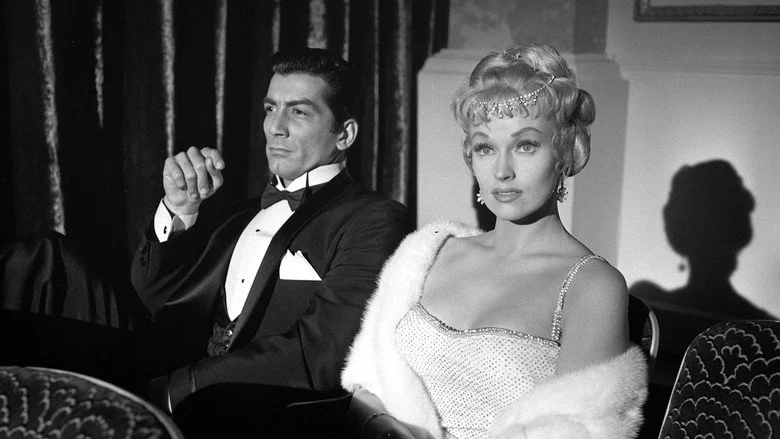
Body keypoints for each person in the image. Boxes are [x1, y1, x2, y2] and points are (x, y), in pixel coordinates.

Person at [341, 44, 647, 438]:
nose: (502, 171)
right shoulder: (428, 253)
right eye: (485, 147)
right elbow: (367, 387)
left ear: (564, 152)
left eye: (525, 145)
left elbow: (580, 432)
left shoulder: (591, 286)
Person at [130, 47, 411, 422]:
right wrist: (179, 208)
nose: (275, 127)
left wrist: (176, 388)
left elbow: (320, 353)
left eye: (298, 112)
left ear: (344, 134)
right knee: (55, 261)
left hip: (255, 414)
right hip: (165, 379)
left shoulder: (373, 219)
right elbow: (152, 299)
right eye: (270, 108)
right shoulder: (238, 212)